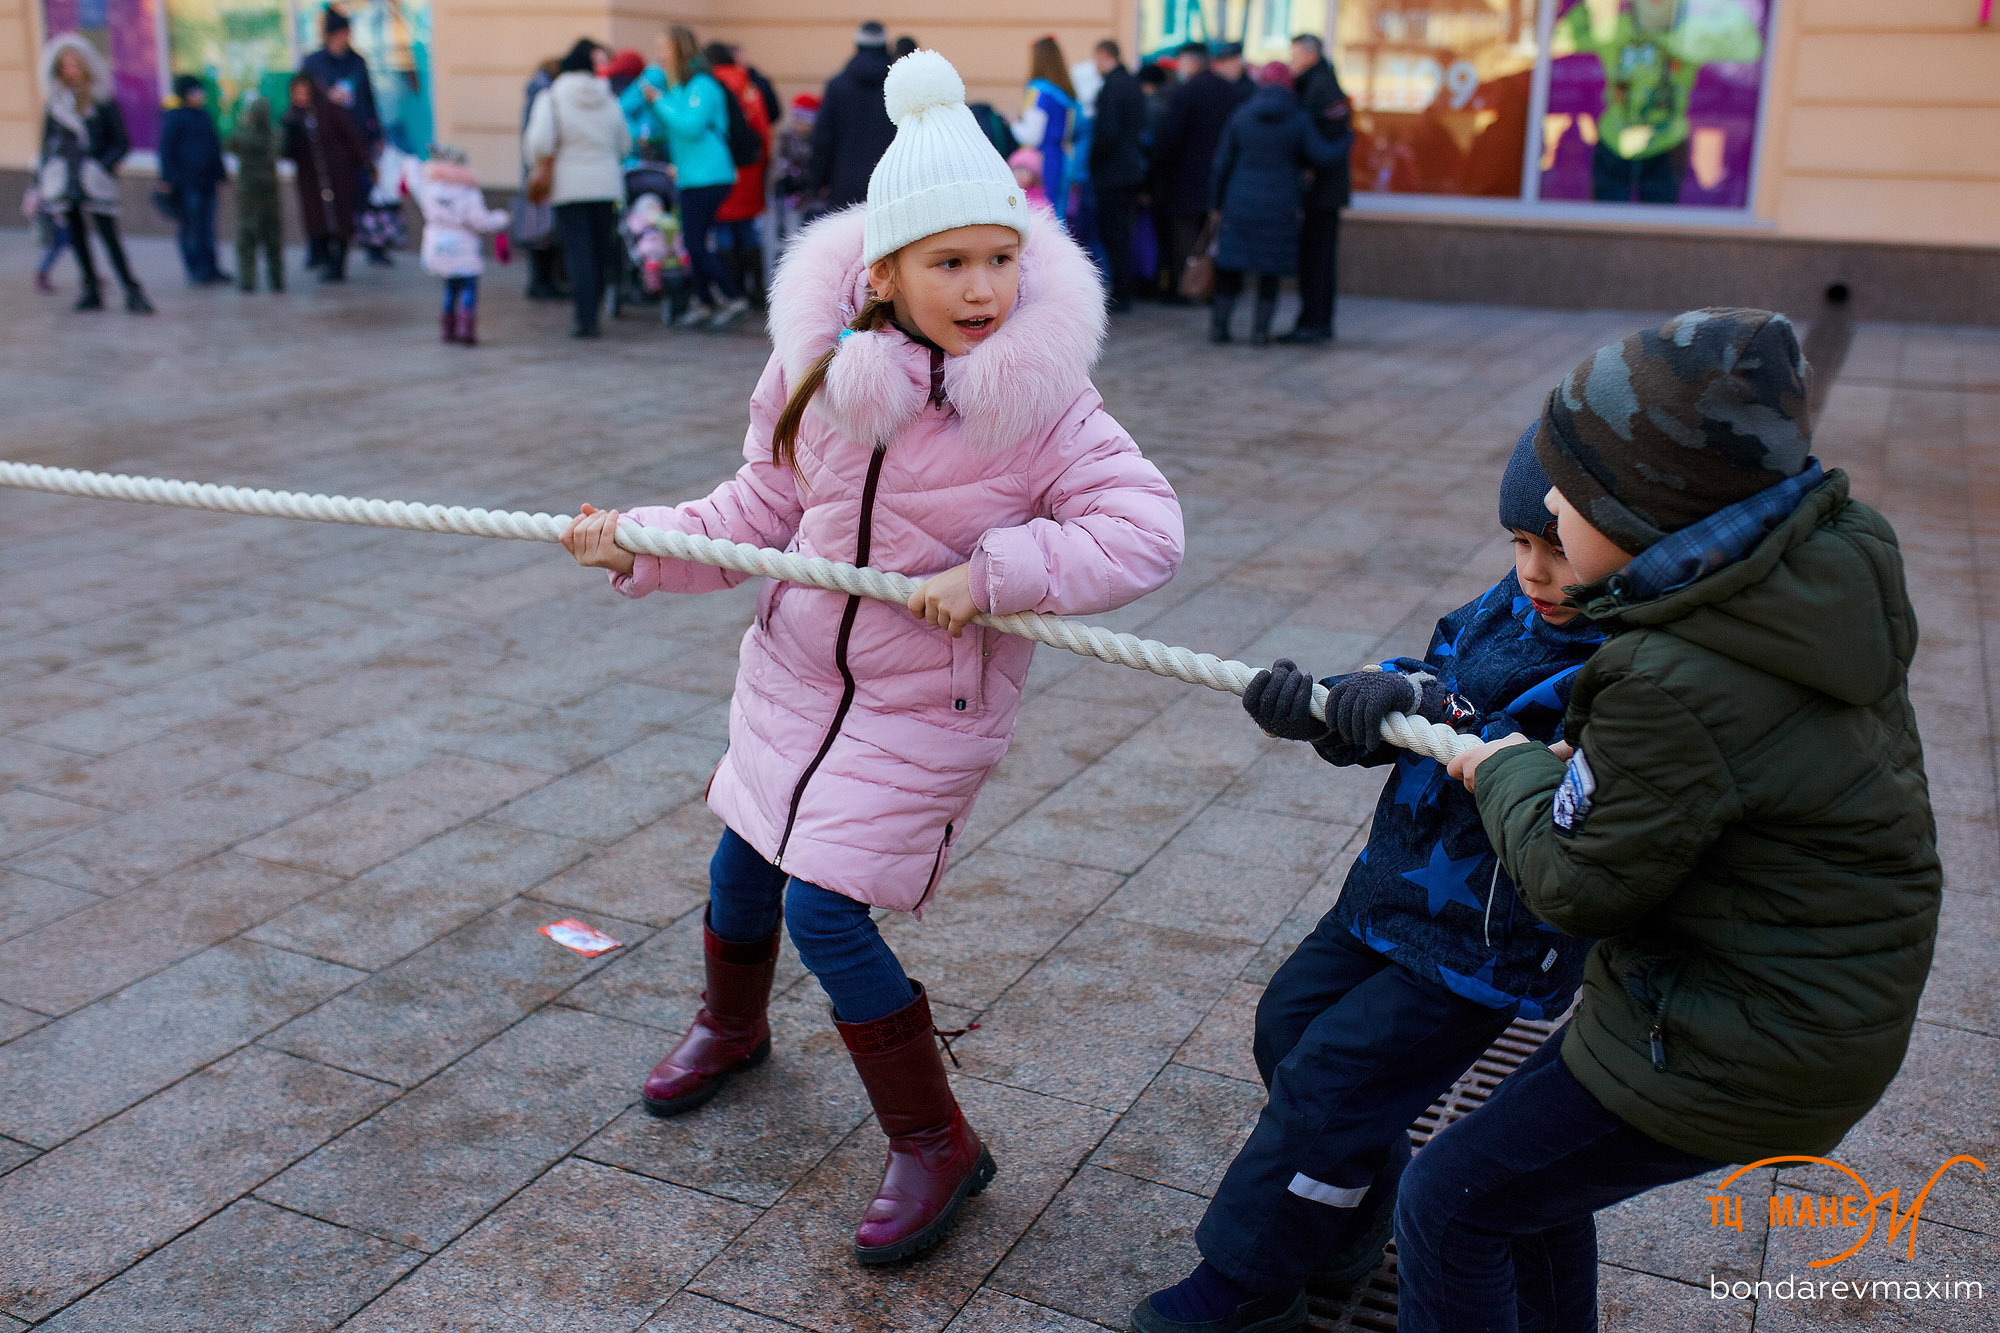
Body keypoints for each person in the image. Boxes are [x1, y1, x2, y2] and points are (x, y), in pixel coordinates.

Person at [558, 49, 1183, 1266]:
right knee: (742, 860)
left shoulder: (1043, 396)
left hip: (921, 707)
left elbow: (1141, 529)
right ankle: (731, 1029)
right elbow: (754, 511)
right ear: (882, 270)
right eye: (949, 262)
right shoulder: (813, 377)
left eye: (999, 256)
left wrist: (996, 573)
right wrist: (631, 541)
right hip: (794, 677)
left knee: (824, 911)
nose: (982, 286)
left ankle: (934, 1138)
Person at [1398, 308, 1941, 1332]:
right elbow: (1733, 772)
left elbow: (1570, 880)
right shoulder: (1798, 576)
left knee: (1449, 1201)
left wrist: (1500, 766)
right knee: (1519, 1193)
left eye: (1569, 490)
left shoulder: (1672, 675)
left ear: (1643, 512)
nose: (1546, 505)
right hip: (1793, 987)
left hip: (1734, 1033)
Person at [1131, 428, 1605, 1333]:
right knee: (1289, 1027)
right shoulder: (1512, 602)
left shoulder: (1614, 658)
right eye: (1520, 543)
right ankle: (1346, 1209)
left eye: (1558, 549)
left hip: (1482, 943)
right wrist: (1339, 707)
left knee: (1333, 1084)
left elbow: (1527, 752)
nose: (1536, 572)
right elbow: (1430, 674)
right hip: (1388, 893)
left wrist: (1440, 707)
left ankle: (1246, 1286)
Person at [1207, 64, 1347, 346]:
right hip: (1279, 206)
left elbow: (1221, 164)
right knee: (1269, 269)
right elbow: (1321, 154)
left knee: (1231, 267)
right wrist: (1346, 139)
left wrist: (1215, 203)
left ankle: (1219, 329)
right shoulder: (1298, 118)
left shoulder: (1242, 115)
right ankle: (1260, 333)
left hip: (1240, 202)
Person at [634, 27, 747, 329]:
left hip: (709, 175)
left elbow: (690, 126)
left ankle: (732, 296)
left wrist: (657, 100)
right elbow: (674, 127)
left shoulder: (703, 85)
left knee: (695, 243)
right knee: (692, 242)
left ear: (679, 51)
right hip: (691, 176)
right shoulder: (681, 87)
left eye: (664, 48)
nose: (659, 55)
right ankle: (705, 301)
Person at [36, 33, 152, 314]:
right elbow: (46, 146)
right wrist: (46, 175)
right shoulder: (55, 105)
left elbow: (121, 142)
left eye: (75, 63)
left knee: (110, 238)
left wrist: (101, 166)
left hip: (94, 180)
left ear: (86, 65)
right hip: (66, 180)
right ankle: (90, 290)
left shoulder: (102, 101)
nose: (71, 69)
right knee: (77, 239)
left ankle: (131, 290)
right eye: (65, 64)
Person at [524, 38, 630, 338]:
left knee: (578, 253)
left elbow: (539, 143)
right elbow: (624, 144)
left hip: (569, 187)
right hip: (606, 185)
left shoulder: (553, 97)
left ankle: (584, 319)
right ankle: (593, 310)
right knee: (598, 251)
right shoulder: (608, 99)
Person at [1150, 42, 1248, 304]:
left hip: (1186, 178)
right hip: (1221, 178)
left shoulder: (1188, 92)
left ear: (1193, 62)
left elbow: (1171, 137)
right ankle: (1213, 289)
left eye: (1181, 61)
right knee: (1213, 237)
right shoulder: (1230, 91)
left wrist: (1160, 167)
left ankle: (1188, 288)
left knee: (1186, 236)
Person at [1279, 34, 1350, 344]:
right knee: (1318, 258)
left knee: (1317, 259)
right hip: (1323, 191)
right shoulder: (1320, 83)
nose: (1292, 61)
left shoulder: (1319, 86)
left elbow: (1322, 143)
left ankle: (1314, 323)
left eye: (1295, 55)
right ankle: (1314, 321)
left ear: (1308, 56)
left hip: (1322, 193)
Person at [299, 7, 381, 271]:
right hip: (323, 144)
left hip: (353, 141)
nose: (346, 38)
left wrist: (375, 132)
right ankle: (318, 249)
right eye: (342, 33)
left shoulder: (357, 62)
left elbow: (368, 99)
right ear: (332, 35)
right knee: (321, 201)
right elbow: (302, 101)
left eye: (348, 33)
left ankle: (365, 247)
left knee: (355, 194)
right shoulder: (313, 64)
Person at [410, 145, 509, 345]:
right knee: (468, 289)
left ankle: (447, 329)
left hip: (438, 244)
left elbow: (415, 183)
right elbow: (481, 221)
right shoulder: (468, 193)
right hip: (464, 247)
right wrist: (502, 219)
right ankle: (465, 328)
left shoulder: (430, 189)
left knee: (449, 288)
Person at [704, 41, 771, 310]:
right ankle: (755, 289)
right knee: (747, 231)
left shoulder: (707, 87)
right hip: (750, 170)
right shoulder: (749, 87)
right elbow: (763, 131)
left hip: (720, 170)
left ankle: (732, 290)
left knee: (723, 232)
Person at [283, 73, 369, 282]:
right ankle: (326, 260)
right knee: (319, 222)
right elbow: (288, 152)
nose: (301, 96)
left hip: (338, 176)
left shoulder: (330, 110)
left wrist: (365, 163)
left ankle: (338, 265)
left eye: (304, 91)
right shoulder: (293, 117)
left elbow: (351, 138)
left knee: (340, 220)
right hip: (311, 180)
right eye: (297, 92)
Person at [805, 21, 896, 210]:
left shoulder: (837, 86)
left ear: (857, 45)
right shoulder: (899, 86)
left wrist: (817, 182)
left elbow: (823, 139)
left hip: (844, 183)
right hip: (891, 183)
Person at [158, 75, 231, 286]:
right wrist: (167, 179)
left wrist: (220, 174)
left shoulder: (203, 116)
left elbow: (213, 147)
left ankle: (211, 268)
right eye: (194, 91)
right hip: (187, 183)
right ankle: (196, 269)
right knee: (191, 228)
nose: (199, 96)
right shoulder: (175, 117)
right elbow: (166, 150)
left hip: (207, 181)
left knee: (207, 227)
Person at [1088, 40, 1145, 311]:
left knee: (1114, 235)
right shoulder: (1132, 84)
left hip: (1112, 174)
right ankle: (1126, 289)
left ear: (1103, 56)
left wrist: (1093, 161)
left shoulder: (1111, 87)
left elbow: (1107, 133)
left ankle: (1122, 293)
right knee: (1124, 232)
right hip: (1131, 170)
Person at [1010, 37, 1078, 223]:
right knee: (1059, 218)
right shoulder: (1066, 93)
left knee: (1043, 219)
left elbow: (1032, 136)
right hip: (1063, 158)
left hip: (1042, 162)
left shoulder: (1037, 91)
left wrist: (1013, 124)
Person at [226, 95, 284, 293]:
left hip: (254, 197)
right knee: (270, 243)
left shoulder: (248, 134)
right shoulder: (273, 134)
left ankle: (250, 281)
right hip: (261, 196)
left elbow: (231, 143)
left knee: (250, 242)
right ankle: (274, 281)